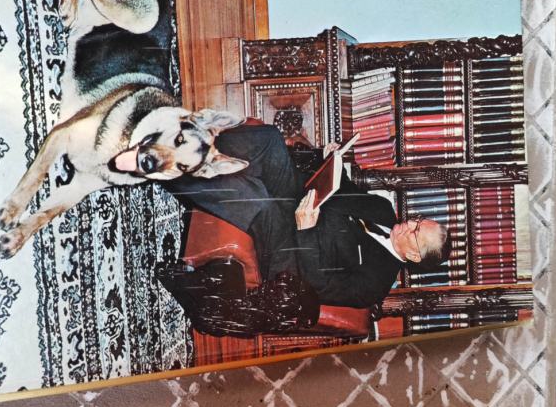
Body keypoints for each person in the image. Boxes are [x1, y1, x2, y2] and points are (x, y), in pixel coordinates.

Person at [164, 122, 450, 309]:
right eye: (417, 220)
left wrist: (306, 230)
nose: (409, 223)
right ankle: (187, 143)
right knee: (271, 141)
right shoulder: (383, 209)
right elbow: (343, 190)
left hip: (289, 251)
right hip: (299, 199)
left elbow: (318, 285)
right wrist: (332, 161)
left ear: (415, 256)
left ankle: (169, 169)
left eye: (415, 231)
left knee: (262, 201)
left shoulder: (374, 285)